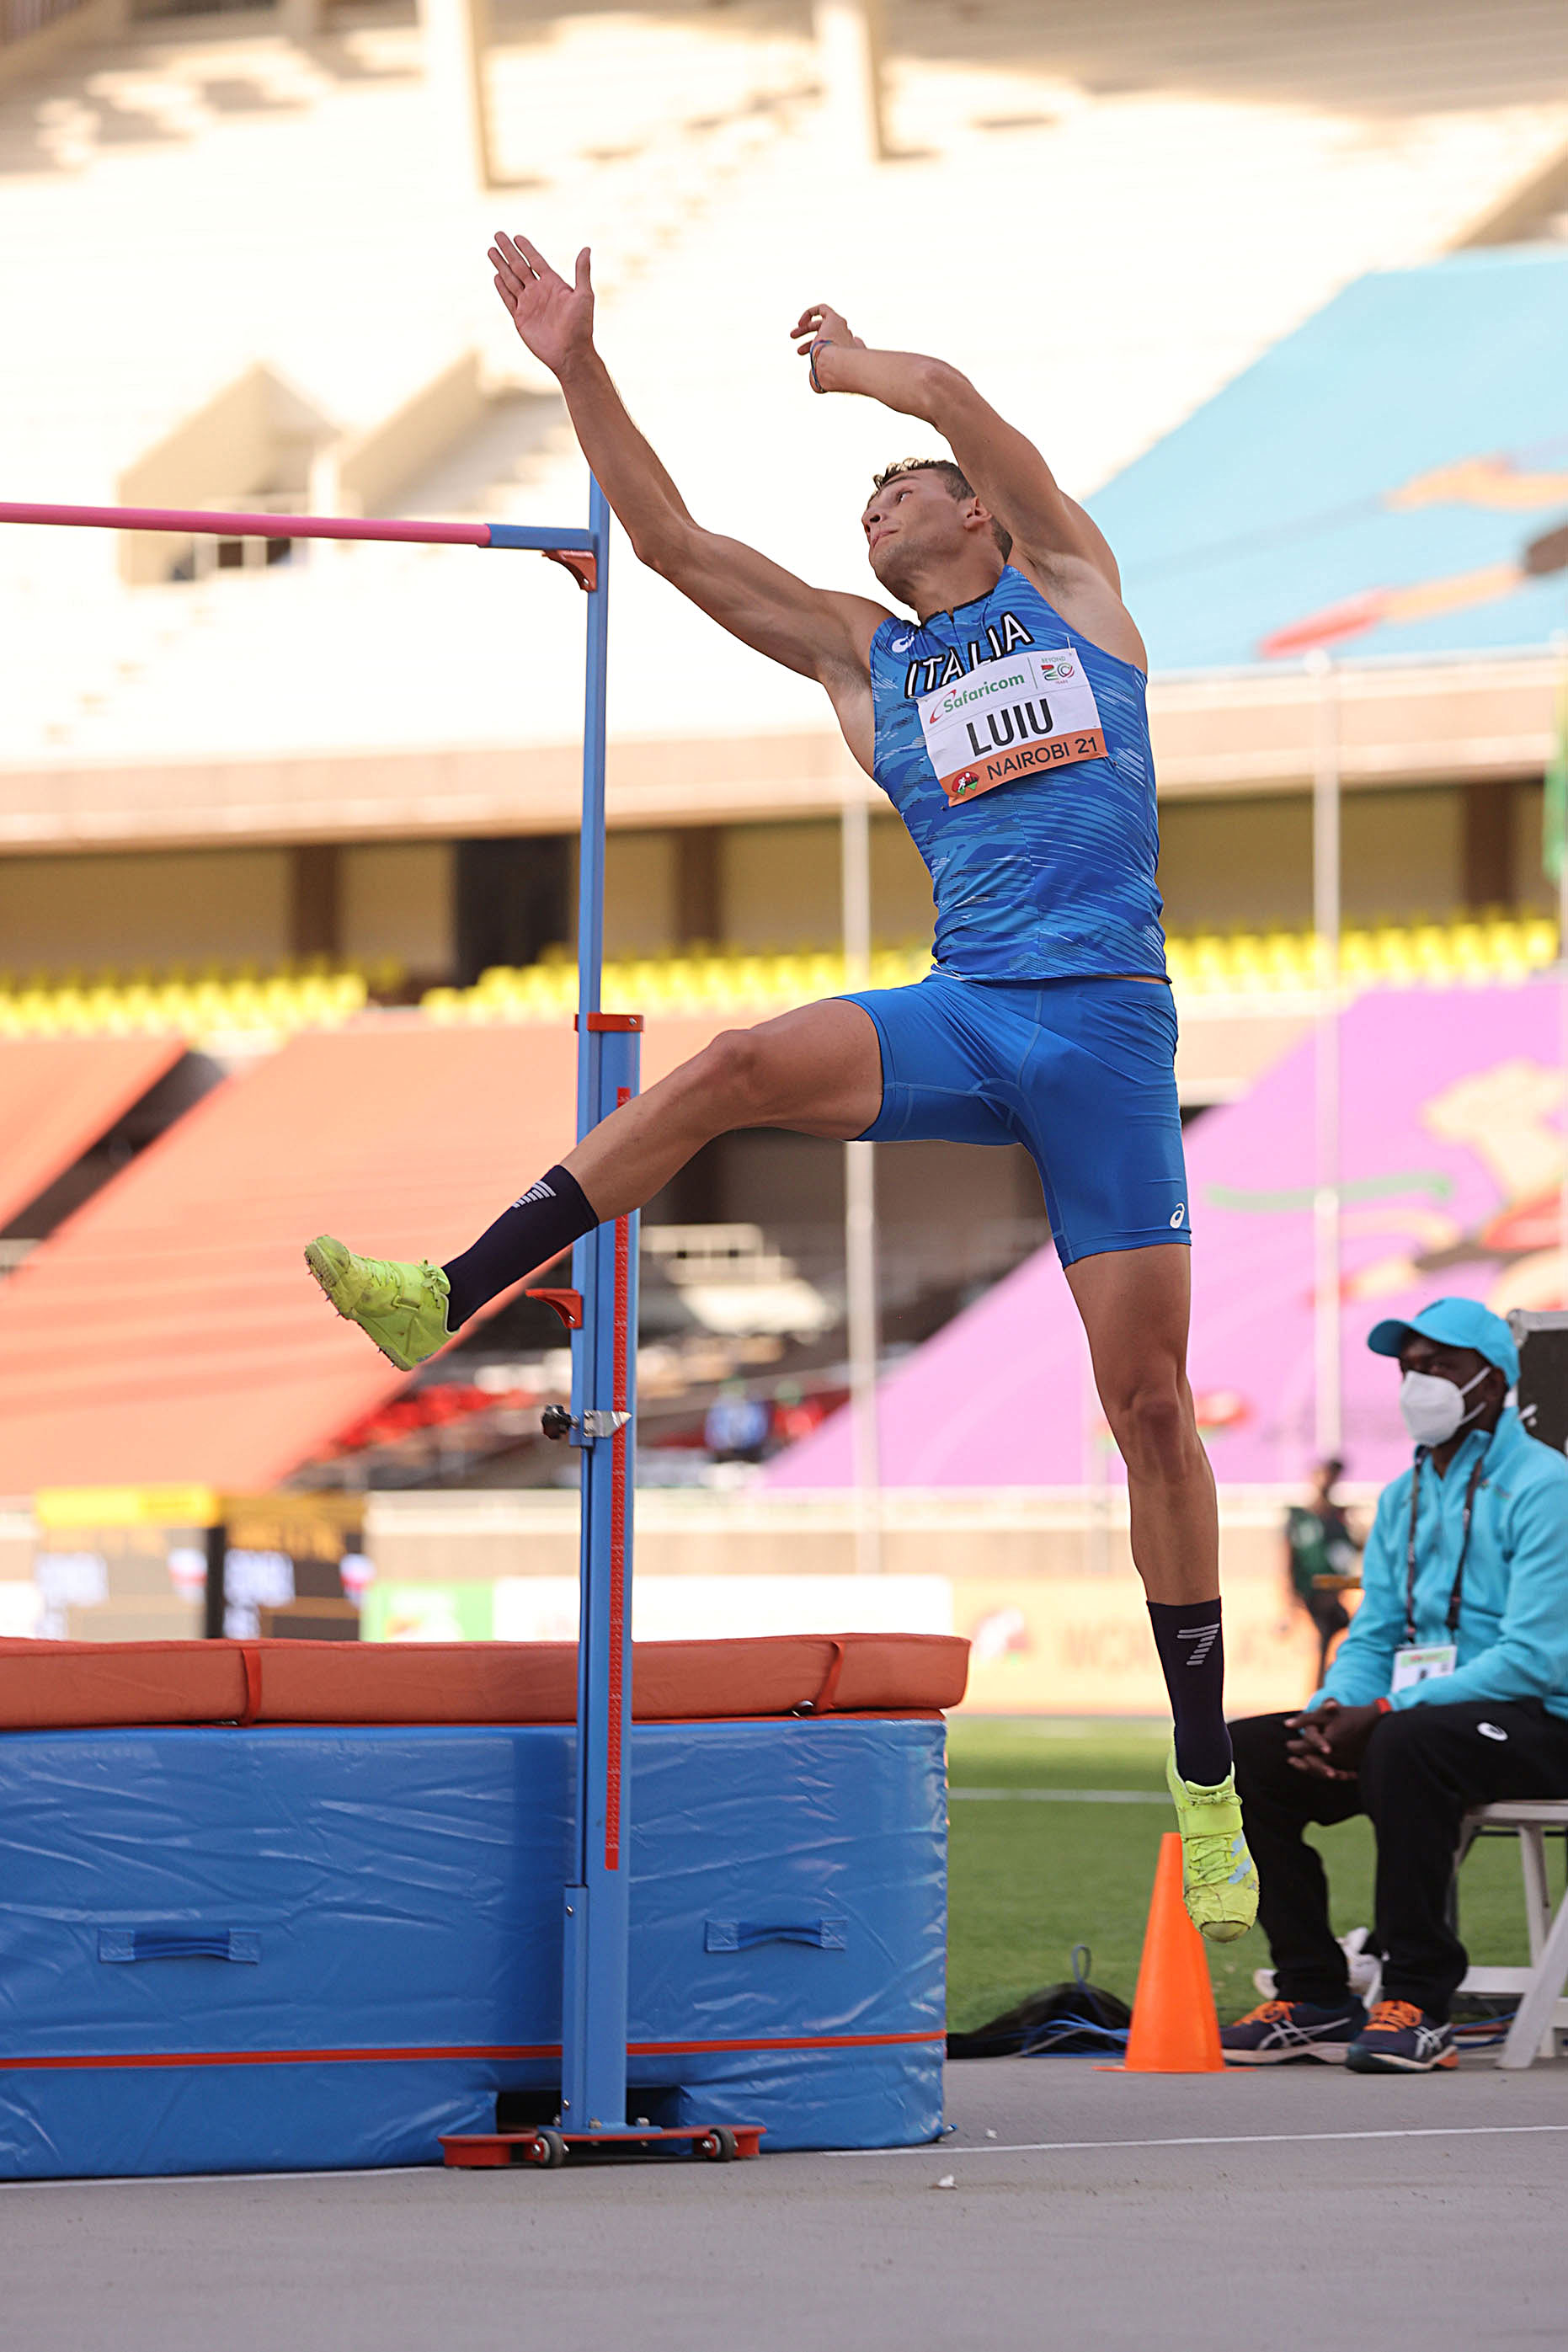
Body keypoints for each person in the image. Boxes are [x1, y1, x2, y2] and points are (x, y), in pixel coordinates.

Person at [305, 230, 1257, 1941]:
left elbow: (950, 398)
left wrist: (861, 373)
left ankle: (1204, 1784)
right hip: (969, 1011)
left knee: (1149, 1408)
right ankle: (444, 1290)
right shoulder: (858, 660)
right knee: (737, 1061)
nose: (876, 504)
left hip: (1110, 1033)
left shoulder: (1071, 588)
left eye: (904, 487)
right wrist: (577, 367)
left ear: (979, 515)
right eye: (865, 498)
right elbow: (670, 545)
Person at [1222, 1298, 1568, 2073]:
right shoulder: (1402, 1496)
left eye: (1441, 1366)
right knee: (1243, 1752)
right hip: (1423, 1724)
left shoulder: (1546, 1486)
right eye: (1410, 1368)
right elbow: (1375, 1635)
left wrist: (1385, 1710)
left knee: (1408, 1742)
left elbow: (1532, 1659)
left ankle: (1417, 2001)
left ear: (1492, 1380)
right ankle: (1312, 1992)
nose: (1420, 1383)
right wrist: (1333, 1709)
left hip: (1541, 1722)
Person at [1283, 1458, 1363, 1688]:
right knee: (1327, 1639)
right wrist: (1290, 1595)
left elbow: (1352, 1549)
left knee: (1342, 1634)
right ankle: (1320, 1690)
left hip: (1335, 1587)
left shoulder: (1339, 1516)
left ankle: (1328, 1686)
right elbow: (1289, 1555)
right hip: (1314, 1589)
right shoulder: (1301, 1517)